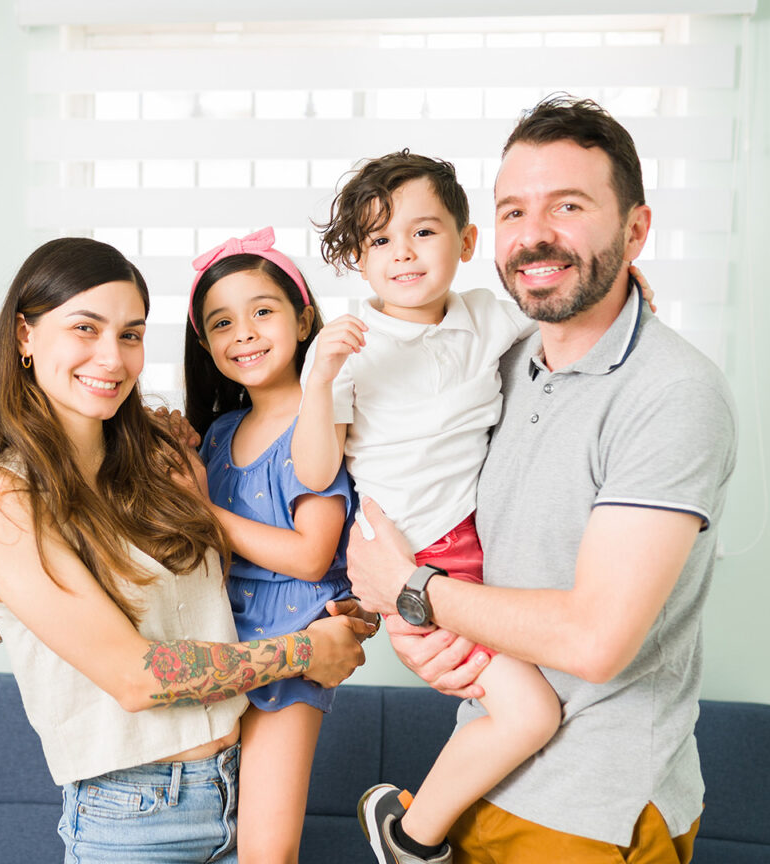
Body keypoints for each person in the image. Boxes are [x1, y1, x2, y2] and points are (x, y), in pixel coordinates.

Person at [346, 96, 738, 864]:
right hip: (482, 787)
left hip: (591, 810)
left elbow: (593, 640)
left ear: (635, 231)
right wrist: (420, 630)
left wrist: (413, 590)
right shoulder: (504, 364)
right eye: (514, 211)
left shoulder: (671, 391)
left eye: (568, 206)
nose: (535, 235)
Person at [0, 237, 372, 863]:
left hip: (238, 787)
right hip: (134, 821)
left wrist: (340, 608)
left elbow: (251, 571)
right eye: (84, 329)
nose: (111, 358)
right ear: (24, 336)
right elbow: (138, 677)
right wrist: (305, 650)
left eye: (131, 334)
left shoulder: (159, 455)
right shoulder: (4, 500)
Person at [290, 151, 562, 864]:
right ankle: (410, 836)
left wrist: (633, 294)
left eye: (423, 233)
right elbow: (316, 469)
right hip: (413, 566)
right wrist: (316, 381)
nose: (402, 254)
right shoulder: (354, 345)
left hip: (482, 553)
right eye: (379, 240)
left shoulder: (485, 317)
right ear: (357, 258)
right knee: (532, 711)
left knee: (536, 692)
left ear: (467, 242)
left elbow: (563, 329)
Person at [180, 227, 357, 864]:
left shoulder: (320, 419)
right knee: (209, 834)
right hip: (220, 648)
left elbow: (312, 555)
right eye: (222, 323)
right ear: (205, 342)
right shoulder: (221, 431)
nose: (245, 333)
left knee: (265, 852)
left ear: (303, 317)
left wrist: (204, 510)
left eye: (263, 311)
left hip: (294, 653)